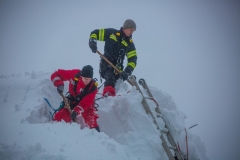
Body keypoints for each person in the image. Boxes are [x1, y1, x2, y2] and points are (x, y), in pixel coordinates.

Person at [89, 19, 137, 96]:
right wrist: (92, 42)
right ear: (125, 27)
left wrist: (127, 71)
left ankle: (116, 99)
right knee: (110, 80)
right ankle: (108, 98)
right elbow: (95, 33)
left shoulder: (130, 44)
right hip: (106, 64)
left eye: (133, 31)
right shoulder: (112, 33)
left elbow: (133, 60)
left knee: (118, 86)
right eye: (131, 30)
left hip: (118, 71)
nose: (132, 32)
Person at [50, 65, 100, 132]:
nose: (87, 81)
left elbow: (86, 103)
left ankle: (96, 137)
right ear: (81, 76)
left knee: (91, 123)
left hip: (86, 107)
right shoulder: (74, 74)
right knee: (59, 117)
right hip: (71, 103)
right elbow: (56, 75)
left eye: (89, 79)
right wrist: (59, 84)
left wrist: (76, 111)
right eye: (85, 78)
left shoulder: (93, 88)